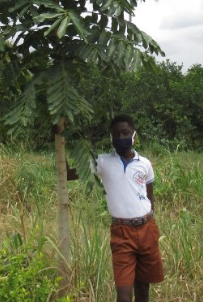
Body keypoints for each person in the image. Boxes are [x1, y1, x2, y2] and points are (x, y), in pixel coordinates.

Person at [68, 114, 164, 302]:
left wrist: (148, 219)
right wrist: (61, 142)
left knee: (143, 288)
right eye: (116, 134)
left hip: (146, 229)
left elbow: (149, 196)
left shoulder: (144, 164)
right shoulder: (102, 162)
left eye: (125, 133)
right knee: (124, 295)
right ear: (111, 137)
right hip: (121, 234)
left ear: (133, 135)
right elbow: (71, 174)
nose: (121, 137)